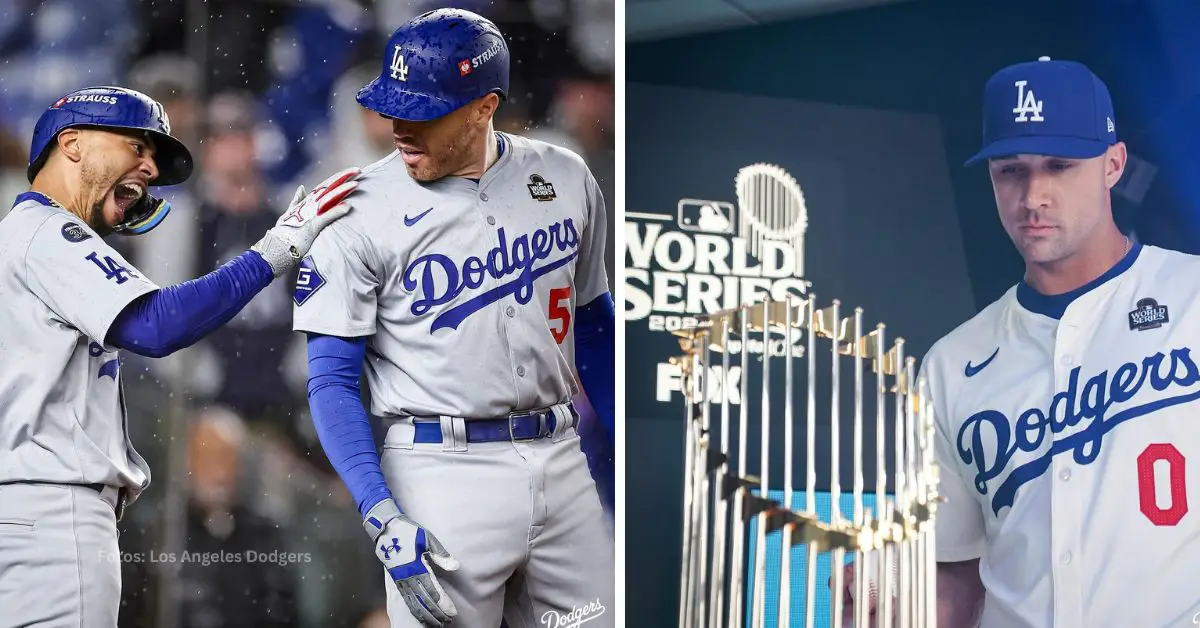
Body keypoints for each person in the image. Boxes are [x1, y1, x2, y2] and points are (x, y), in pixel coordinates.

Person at [844, 56, 1200, 627]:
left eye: (1059, 165)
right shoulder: (951, 364)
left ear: (1113, 164)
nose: (1033, 195)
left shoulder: (1191, 298)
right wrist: (893, 605)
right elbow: (955, 570)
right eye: (1010, 170)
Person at [291, 8, 615, 628]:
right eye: (392, 108)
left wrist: (627, 463)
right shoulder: (354, 211)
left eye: (423, 112)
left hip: (561, 456)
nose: (400, 128)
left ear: (485, 107)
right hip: (440, 472)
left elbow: (594, 326)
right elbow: (330, 383)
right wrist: (379, 511)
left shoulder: (565, 175)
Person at [0, 85, 360, 628]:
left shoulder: (24, 237)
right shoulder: (48, 231)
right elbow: (158, 325)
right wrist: (275, 250)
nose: (149, 166)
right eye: (136, 145)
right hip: (50, 515)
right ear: (71, 143)